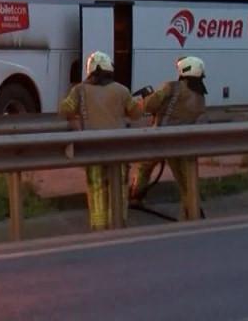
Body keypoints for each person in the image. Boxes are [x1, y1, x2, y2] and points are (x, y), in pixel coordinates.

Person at [58, 50, 141, 231]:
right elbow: (135, 113)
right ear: (109, 70)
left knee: (96, 188)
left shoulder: (79, 90)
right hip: (118, 150)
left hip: (92, 149)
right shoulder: (121, 90)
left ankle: (99, 227)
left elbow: (65, 109)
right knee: (119, 187)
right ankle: (118, 225)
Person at [130, 56, 209, 220]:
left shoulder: (171, 87)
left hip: (162, 139)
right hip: (185, 144)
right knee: (186, 182)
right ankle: (193, 212)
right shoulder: (200, 96)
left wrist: (142, 102)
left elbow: (149, 105)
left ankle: (136, 196)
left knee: (145, 166)